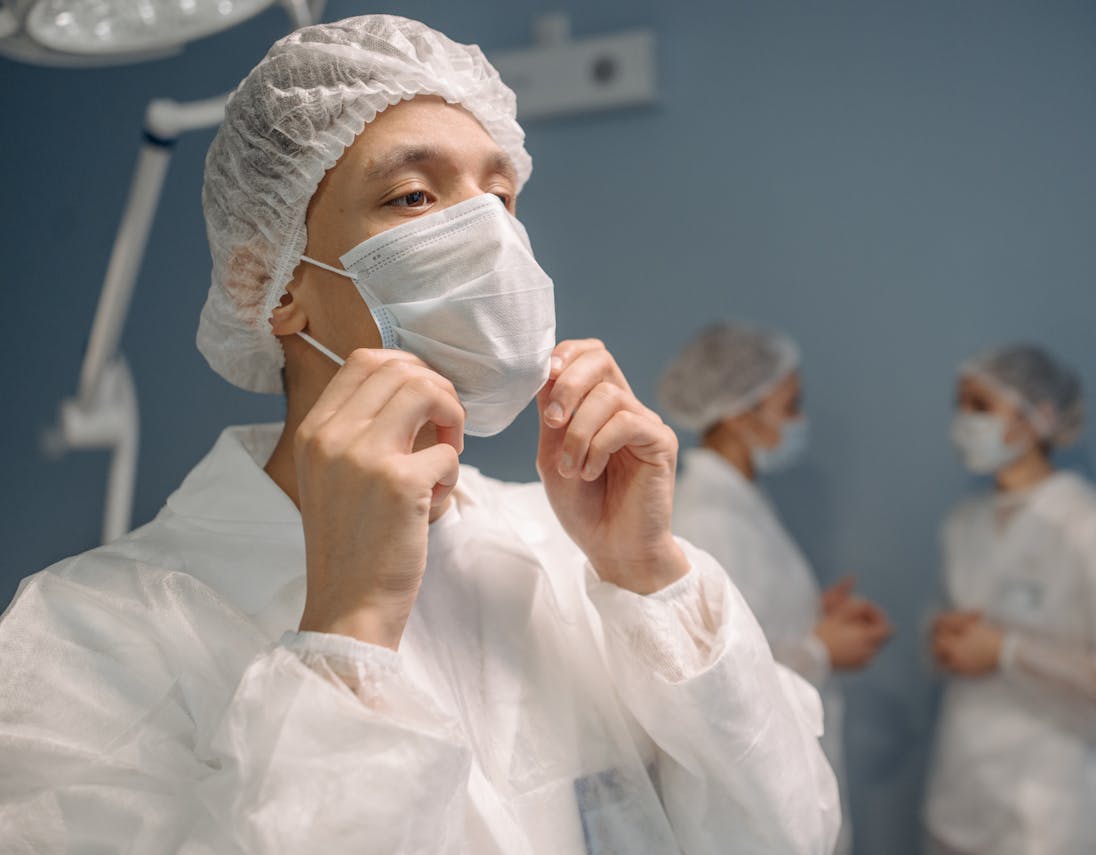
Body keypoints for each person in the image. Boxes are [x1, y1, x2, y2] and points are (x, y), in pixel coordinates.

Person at [0, 17, 840, 853]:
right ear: (270, 282)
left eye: (502, 198)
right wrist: (349, 628)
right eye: (414, 196)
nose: (491, 241)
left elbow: (782, 834)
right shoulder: (84, 635)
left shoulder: (571, 553)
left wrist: (651, 577)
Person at [925, 343, 1096, 855]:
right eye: (961, 405)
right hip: (965, 787)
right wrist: (946, 640)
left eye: (981, 406)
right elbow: (962, 621)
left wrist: (1007, 651)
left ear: (1040, 416)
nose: (965, 420)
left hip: (1062, 805)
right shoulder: (963, 524)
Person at [658, 322, 893, 855]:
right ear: (741, 414)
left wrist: (812, 613)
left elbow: (747, 618)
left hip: (780, 771)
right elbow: (709, 675)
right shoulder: (709, 516)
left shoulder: (739, 501)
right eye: (791, 405)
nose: (800, 421)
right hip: (750, 796)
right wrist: (820, 649)